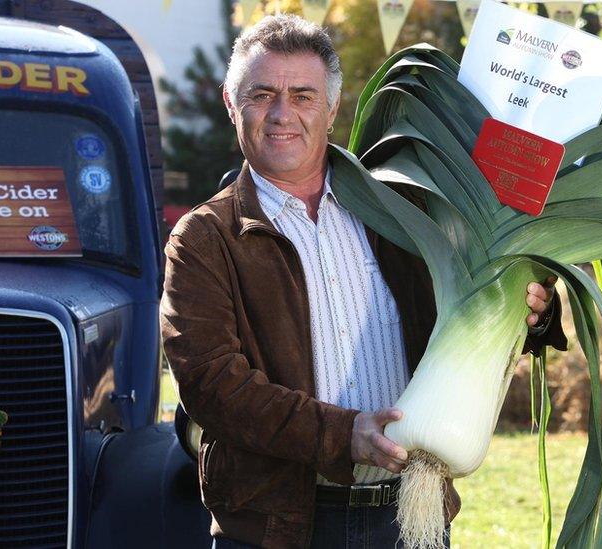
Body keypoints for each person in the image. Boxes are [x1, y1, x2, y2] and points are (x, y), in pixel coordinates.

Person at [160, 14, 565, 549]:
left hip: (410, 516)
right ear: (233, 105)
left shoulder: (405, 210)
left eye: (303, 95)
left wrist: (529, 311)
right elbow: (213, 386)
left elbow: (466, 307)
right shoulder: (205, 239)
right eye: (262, 95)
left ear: (331, 110)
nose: (283, 114)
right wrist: (342, 435)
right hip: (279, 528)